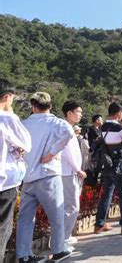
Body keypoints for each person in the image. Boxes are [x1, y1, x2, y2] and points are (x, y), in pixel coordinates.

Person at [17, 92, 74, 262]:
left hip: (28, 177)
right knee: (56, 216)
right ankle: (58, 250)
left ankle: (24, 255)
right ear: (50, 106)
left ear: (33, 107)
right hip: (48, 175)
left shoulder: (24, 123)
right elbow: (69, 133)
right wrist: (52, 152)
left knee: (25, 219)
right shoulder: (56, 123)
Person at [94, 102, 122, 235]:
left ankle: (99, 224)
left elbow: (112, 137)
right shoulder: (119, 127)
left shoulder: (103, 127)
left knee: (106, 194)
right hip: (119, 163)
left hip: (107, 164)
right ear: (118, 113)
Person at [0, 81, 31, 262]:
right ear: (7, 97)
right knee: (3, 227)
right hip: (5, 181)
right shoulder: (8, 118)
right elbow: (25, 143)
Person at [60, 101, 88, 251]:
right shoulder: (66, 128)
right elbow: (68, 153)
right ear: (69, 113)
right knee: (72, 207)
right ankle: (62, 239)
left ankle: (66, 236)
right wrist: (78, 170)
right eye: (78, 112)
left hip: (70, 172)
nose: (80, 114)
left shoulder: (68, 128)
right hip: (68, 172)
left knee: (69, 206)